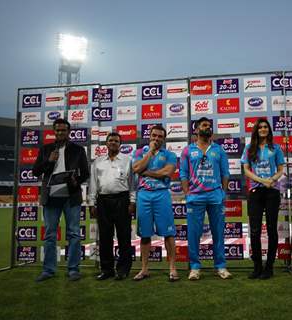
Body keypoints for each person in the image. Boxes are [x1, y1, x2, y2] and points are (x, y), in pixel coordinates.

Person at [32, 118, 89, 282]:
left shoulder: (78, 150)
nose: (60, 133)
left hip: (71, 197)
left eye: (63, 130)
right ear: (54, 131)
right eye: (57, 130)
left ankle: (73, 269)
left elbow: (85, 172)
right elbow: (36, 171)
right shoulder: (45, 149)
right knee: (50, 234)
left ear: (68, 132)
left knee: (74, 234)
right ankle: (48, 270)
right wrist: (49, 161)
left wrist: (75, 181)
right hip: (50, 198)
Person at [180, 117, 231, 280]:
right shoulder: (188, 150)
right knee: (194, 234)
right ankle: (195, 267)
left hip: (215, 196)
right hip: (195, 196)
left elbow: (225, 173)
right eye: (204, 125)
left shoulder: (219, 150)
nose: (207, 127)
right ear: (196, 130)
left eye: (209, 125)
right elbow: (183, 174)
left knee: (218, 233)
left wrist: (222, 192)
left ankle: (220, 266)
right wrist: (187, 192)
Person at [132, 125, 179, 281]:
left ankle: (172, 268)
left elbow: (167, 172)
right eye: (154, 136)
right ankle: (144, 269)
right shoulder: (140, 152)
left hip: (161, 195)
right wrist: (150, 153)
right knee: (145, 234)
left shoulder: (170, 154)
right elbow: (136, 168)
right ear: (149, 136)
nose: (156, 139)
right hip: (144, 195)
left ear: (164, 139)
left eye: (160, 136)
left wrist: (145, 172)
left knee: (168, 233)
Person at [88, 132, 135, 281]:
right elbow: (93, 184)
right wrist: (91, 203)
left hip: (122, 200)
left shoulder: (128, 161)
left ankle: (123, 269)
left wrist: (132, 202)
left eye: (116, 141)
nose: (113, 142)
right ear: (106, 144)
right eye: (111, 140)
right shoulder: (98, 162)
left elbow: (132, 184)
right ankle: (107, 269)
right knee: (105, 237)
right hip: (103, 201)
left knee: (124, 236)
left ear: (120, 144)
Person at [241, 119, 284, 279]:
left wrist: (272, 180)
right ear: (256, 130)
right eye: (260, 127)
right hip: (255, 191)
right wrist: (261, 181)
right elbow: (246, 170)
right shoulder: (249, 148)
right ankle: (257, 267)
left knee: (272, 229)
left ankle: (269, 267)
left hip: (272, 191)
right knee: (255, 230)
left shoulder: (276, 148)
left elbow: (280, 170)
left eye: (266, 127)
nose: (263, 129)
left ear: (269, 130)